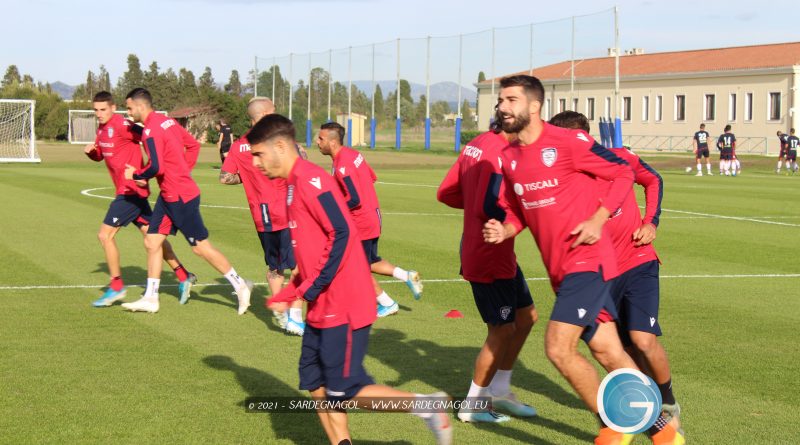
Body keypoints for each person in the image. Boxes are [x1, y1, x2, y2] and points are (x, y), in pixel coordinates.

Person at [483, 75, 683, 445]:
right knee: (607, 350)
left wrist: (599, 217)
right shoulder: (509, 158)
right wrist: (506, 230)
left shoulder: (567, 142)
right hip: (561, 271)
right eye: (500, 100)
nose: (502, 106)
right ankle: (665, 433)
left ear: (534, 105)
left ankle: (614, 428)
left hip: (590, 262)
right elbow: (517, 210)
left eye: (511, 99)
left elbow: (623, 172)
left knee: (558, 348)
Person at [247, 114, 452, 445]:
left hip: (342, 301)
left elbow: (341, 231)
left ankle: (427, 406)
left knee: (345, 391)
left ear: (281, 146)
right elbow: (313, 239)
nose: (255, 163)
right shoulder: (293, 183)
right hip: (321, 300)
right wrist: (298, 281)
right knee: (315, 382)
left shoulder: (313, 180)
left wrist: (313, 286)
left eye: (258, 154)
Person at [549, 110, 683, 435]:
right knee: (616, 350)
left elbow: (653, 180)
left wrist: (651, 223)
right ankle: (640, 413)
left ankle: (667, 402)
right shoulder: (563, 178)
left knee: (643, 339)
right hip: (599, 274)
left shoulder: (619, 158)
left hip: (638, 260)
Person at [437, 110, 538, 423]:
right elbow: (489, 205)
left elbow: (447, 192)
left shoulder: (476, 144)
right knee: (502, 329)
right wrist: (523, 215)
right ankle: (473, 405)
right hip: (489, 253)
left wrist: (477, 203)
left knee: (526, 316)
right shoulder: (499, 154)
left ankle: (501, 390)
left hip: (496, 253)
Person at [121, 88, 252, 314]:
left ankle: (240, 284)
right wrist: (182, 170)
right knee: (152, 242)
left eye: (130, 108)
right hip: (170, 194)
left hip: (180, 197)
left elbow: (155, 167)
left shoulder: (151, 130)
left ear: (141, 106)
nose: (129, 112)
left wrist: (135, 175)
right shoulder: (168, 122)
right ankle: (151, 298)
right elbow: (193, 145)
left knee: (201, 248)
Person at [84, 91, 196, 307]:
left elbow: (149, 137)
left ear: (113, 108)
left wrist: (143, 173)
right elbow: (101, 155)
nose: (99, 114)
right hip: (130, 192)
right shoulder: (102, 128)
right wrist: (92, 153)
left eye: (103, 109)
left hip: (130, 191)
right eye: (96, 110)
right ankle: (184, 275)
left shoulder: (123, 125)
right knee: (153, 238)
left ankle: (116, 286)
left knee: (104, 235)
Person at [316, 122, 423, 317]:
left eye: (321, 138)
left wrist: (333, 210)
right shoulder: (354, 155)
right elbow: (371, 178)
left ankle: (387, 302)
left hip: (361, 223)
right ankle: (406, 276)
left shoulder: (342, 165)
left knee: (357, 267)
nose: (317, 142)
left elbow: (354, 198)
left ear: (332, 142)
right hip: (373, 216)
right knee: (370, 261)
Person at [220, 97, 305, 335]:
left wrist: (245, 178)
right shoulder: (277, 140)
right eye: (274, 111)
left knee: (275, 267)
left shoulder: (239, 146)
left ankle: (281, 313)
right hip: (287, 211)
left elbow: (224, 178)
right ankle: (296, 317)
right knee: (300, 266)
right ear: (266, 113)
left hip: (262, 215)